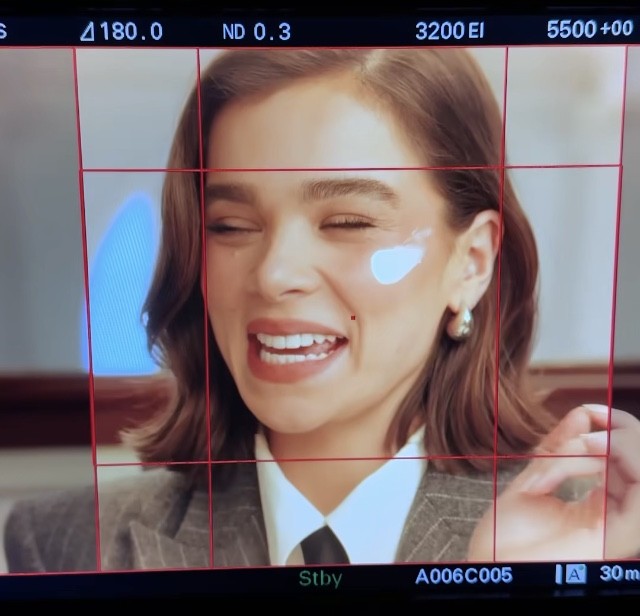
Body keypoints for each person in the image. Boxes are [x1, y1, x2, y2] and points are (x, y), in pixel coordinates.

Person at [4, 48, 640, 572]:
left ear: (471, 263)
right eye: (230, 226)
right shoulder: (65, 545)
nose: (274, 274)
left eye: (347, 222)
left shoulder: (596, 537)